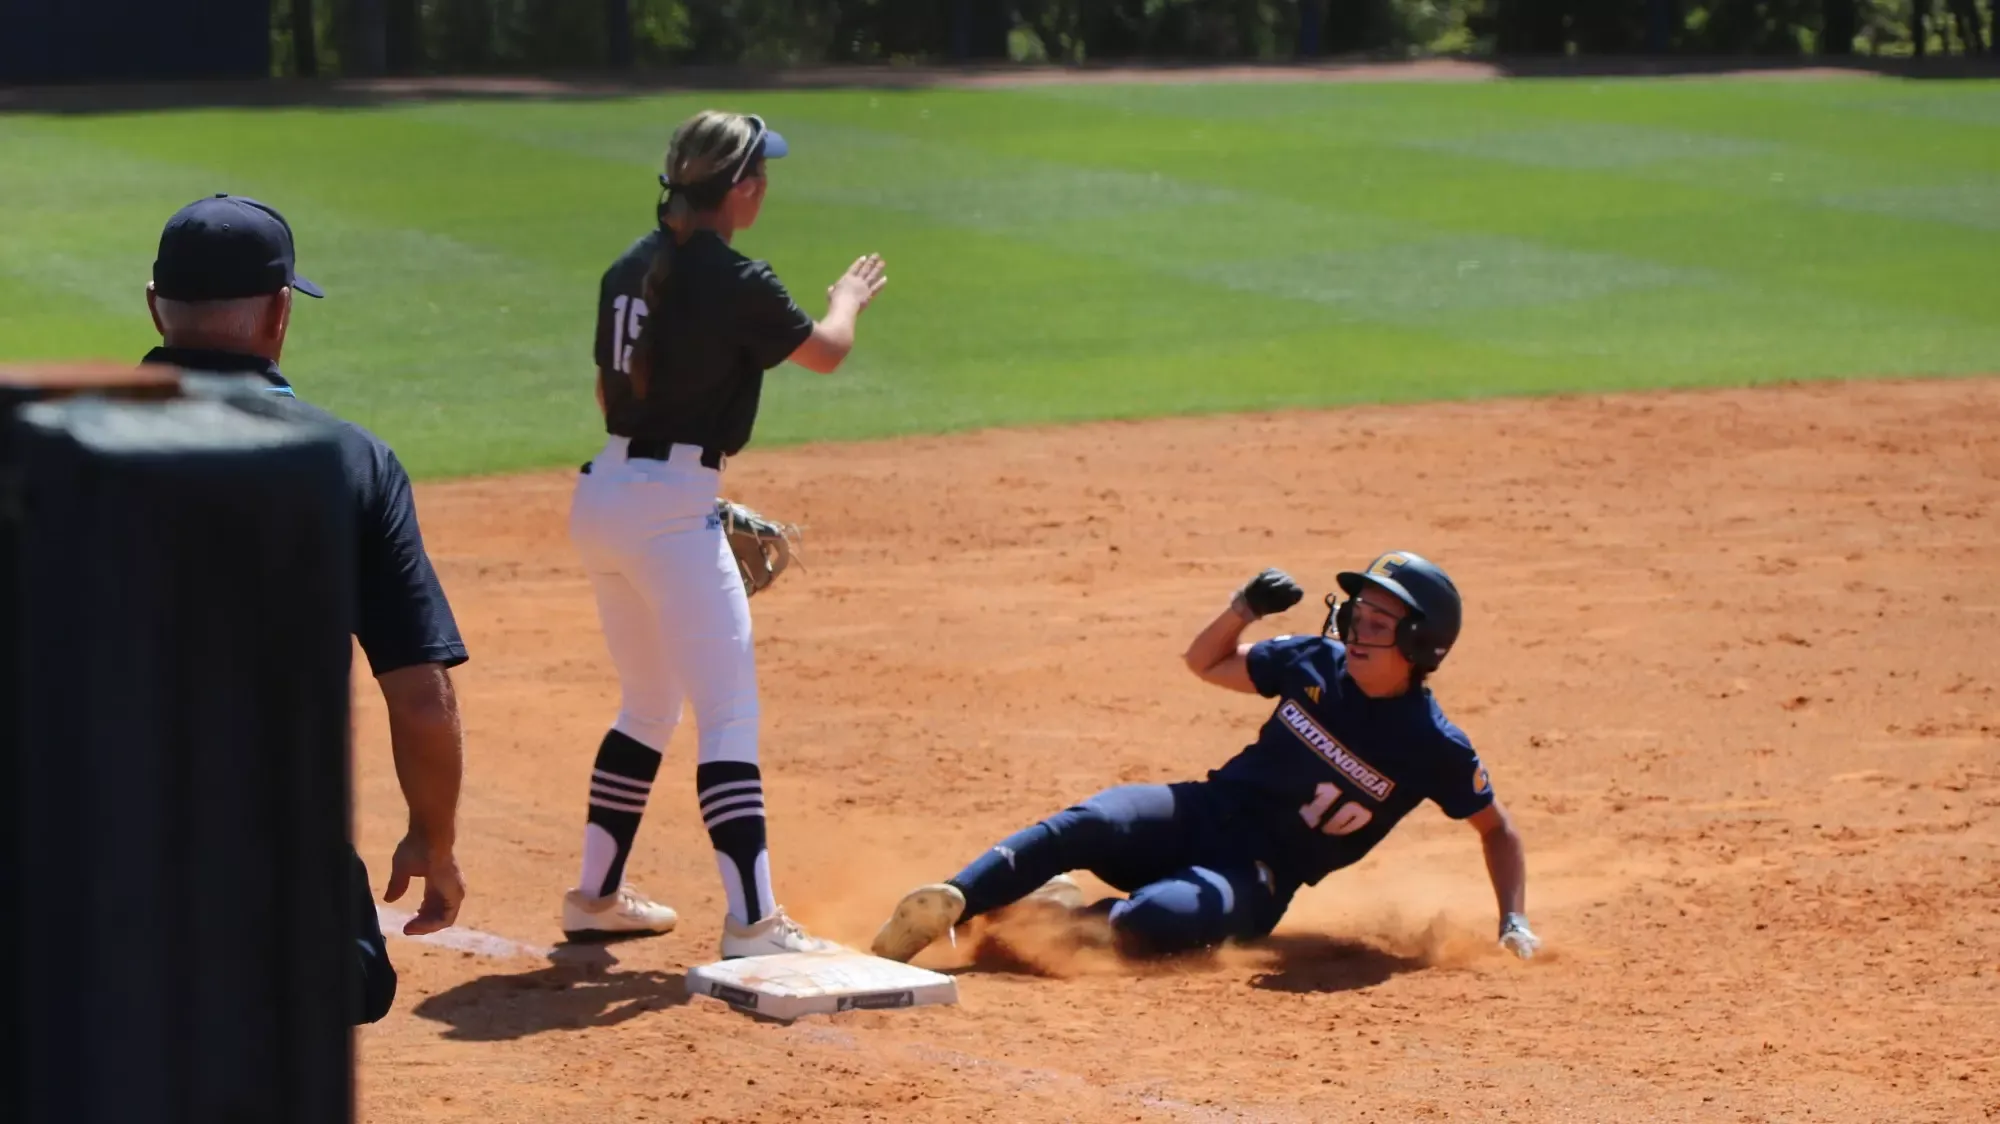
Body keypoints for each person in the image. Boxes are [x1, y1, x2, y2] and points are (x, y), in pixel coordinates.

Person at [870, 551, 1542, 965]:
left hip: (1257, 876)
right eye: (1355, 613)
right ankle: (954, 901)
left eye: (1375, 622)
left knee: (1157, 922)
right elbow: (1206, 662)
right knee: (1093, 820)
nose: (1352, 629)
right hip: (1202, 809)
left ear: (1421, 644)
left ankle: (1042, 921)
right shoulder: (1314, 663)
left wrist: (1512, 919)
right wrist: (1241, 609)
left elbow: (1498, 830)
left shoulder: (1434, 746)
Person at [561, 109, 887, 957]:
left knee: (647, 702)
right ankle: (753, 922)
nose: (767, 188)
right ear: (739, 190)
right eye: (762, 176)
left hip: (605, 496)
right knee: (728, 715)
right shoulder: (739, 278)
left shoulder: (626, 268)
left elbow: (610, 395)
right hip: (670, 510)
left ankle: (594, 897)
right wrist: (846, 299)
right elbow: (825, 353)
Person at [142, 194, 471, 1023]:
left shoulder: (47, 440)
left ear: (155, 304)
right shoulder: (348, 461)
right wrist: (433, 833)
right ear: (280, 312)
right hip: (272, 856)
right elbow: (421, 696)